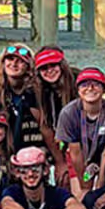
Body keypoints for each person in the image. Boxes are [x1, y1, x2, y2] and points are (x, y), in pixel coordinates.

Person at [55, 67, 105, 196]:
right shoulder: (68, 113)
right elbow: (75, 152)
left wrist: (101, 182)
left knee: (103, 193)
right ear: (78, 90)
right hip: (79, 156)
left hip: (104, 157)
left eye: (96, 84)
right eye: (84, 85)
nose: (90, 88)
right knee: (80, 194)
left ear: (104, 90)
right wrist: (84, 185)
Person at [0, 45, 44, 152]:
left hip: (32, 136)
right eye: (10, 59)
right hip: (3, 137)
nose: (14, 64)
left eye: (20, 61)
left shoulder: (36, 88)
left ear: (28, 67)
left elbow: (43, 123)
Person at [34, 47, 76, 187]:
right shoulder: (35, 90)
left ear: (62, 65)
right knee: (61, 178)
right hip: (55, 142)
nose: (49, 70)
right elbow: (45, 127)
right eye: (44, 68)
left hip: (81, 141)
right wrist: (60, 162)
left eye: (53, 65)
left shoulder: (78, 82)